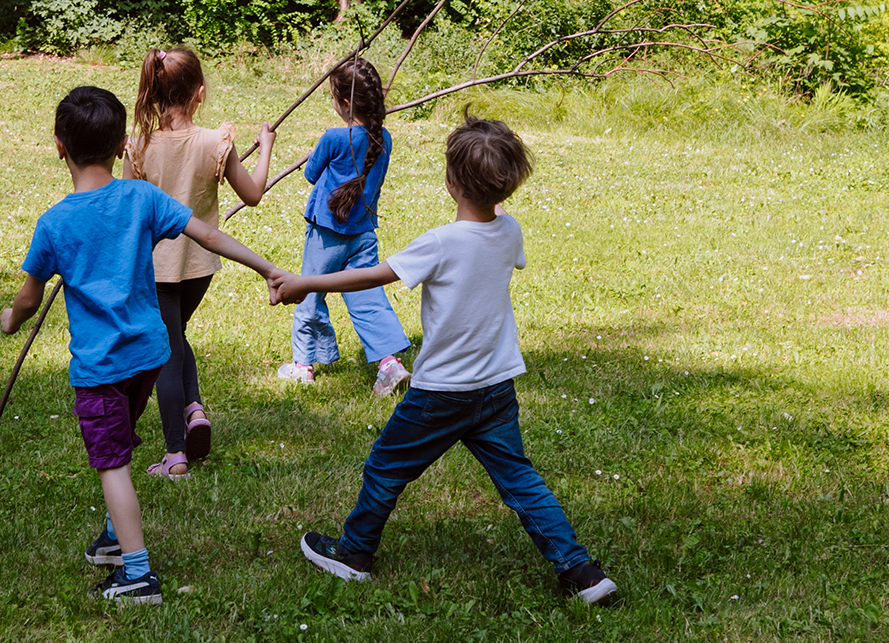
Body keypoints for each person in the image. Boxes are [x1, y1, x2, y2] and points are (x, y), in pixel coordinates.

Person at [271, 116, 619, 607]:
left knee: (386, 465)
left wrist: (306, 282)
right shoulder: (510, 231)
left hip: (440, 394)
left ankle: (354, 554)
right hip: (495, 387)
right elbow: (496, 225)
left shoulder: (440, 242)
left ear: (451, 183)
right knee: (520, 479)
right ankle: (581, 572)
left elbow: (372, 276)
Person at [1, 86, 285, 605]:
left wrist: (9, 321)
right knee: (121, 439)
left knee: (112, 464)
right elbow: (208, 236)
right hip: (149, 356)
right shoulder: (143, 198)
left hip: (102, 367)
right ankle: (114, 538)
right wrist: (268, 268)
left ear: (59, 146)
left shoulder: (55, 223)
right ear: (120, 147)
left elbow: (27, 298)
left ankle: (136, 573)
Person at [122, 48, 276, 479]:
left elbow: (126, 209)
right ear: (199, 93)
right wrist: (265, 148)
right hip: (199, 266)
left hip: (154, 269)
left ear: (153, 91)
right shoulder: (215, 143)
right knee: (175, 336)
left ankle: (175, 455)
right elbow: (253, 194)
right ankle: (193, 409)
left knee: (167, 350)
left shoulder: (139, 146)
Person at [277, 56, 412, 393]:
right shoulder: (385, 139)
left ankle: (303, 365)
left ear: (346, 104)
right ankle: (389, 364)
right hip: (363, 233)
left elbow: (311, 174)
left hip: (326, 235)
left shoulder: (334, 138)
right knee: (368, 297)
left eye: (334, 98)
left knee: (309, 291)